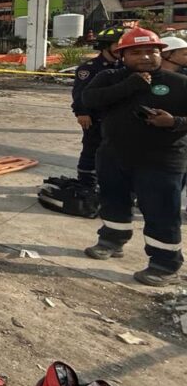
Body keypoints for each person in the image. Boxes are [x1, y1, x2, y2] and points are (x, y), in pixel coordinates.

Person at [82, 27, 187, 286]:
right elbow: (90, 99)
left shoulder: (179, 84)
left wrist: (174, 122)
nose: (146, 57)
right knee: (113, 202)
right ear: (122, 56)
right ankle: (111, 241)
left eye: (152, 51)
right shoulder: (109, 78)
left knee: (161, 212)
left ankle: (164, 264)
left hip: (161, 161)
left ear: (161, 54)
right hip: (114, 156)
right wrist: (130, 85)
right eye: (136, 52)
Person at [71, 26, 124, 189]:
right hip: (95, 118)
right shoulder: (90, 68)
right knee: (92, 149)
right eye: (118, 44)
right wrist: (82, 113)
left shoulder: (124, 66)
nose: (121, 48)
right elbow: (80, 93)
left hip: (119, 118)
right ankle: (86, 182)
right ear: (106, 45)